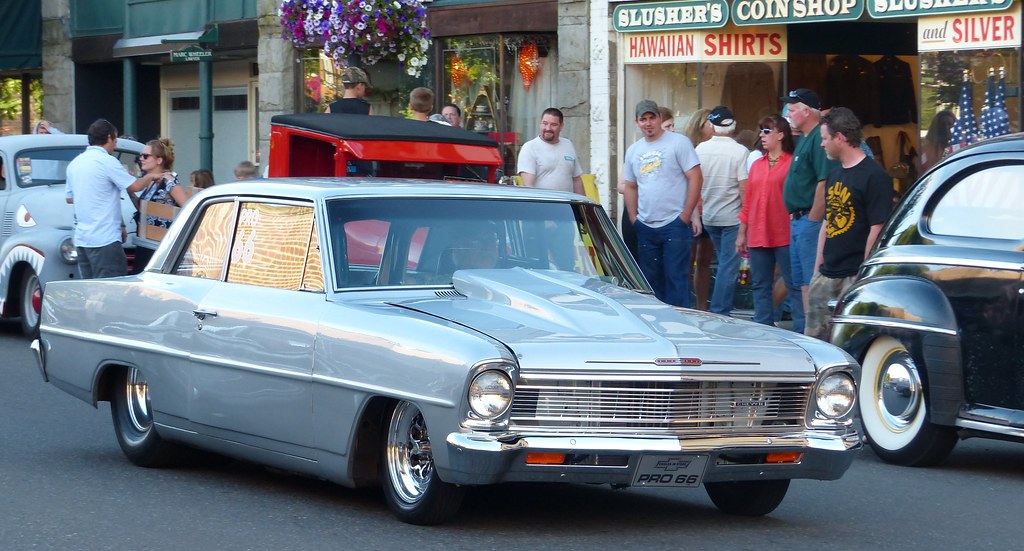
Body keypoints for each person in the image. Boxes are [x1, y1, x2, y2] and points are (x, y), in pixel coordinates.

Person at [805, 107, 893, 340]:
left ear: (840, 138)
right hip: (826, 275)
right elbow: (828, 221)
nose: (822, 144)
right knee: (815, 344)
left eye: (825, 139)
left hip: (853, 275)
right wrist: (817, 270)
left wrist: (864, 275)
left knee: (849, 341)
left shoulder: (875, 176)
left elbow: (877, 228)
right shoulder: (834, 174)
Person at [623, 100, 703, 308]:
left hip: (674, 224)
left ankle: (680, 327)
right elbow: (630, 186)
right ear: (637, 122)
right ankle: (657, 326)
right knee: (650, 282)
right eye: (643, 119)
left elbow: (695, 177)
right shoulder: (633, 150)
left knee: (676, 279)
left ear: (659, 119)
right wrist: (634, 218)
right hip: (646, 225)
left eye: (652, 118)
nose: (648, 123)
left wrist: (686, 215)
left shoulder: (679, 142)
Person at [65, 119, 170, 278]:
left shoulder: (75, 163)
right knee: (111, 291)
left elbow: (70, 199)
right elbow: (135, 186)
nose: (115, 145)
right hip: (104, 239)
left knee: (89, 292)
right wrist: (153, 176)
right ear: (108, 137)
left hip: (81, 240)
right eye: (115, 140)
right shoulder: (107, 161)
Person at [780, 88, 838, 333]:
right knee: (799, 283)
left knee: (808, 282)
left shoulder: (817, 137)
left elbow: (823, 182)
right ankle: (803, 332)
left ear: (806, 111)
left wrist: (812, 219)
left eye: (792, 110)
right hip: (798, 220)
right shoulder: (805, 138)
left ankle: (812, 335)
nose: (789, 114)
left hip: (808, 221)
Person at [737, 114, 801, 328]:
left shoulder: (792, 163)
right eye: (761, 131)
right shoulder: (757, 165)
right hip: (758, 231)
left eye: (767, 131)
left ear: (781, 135)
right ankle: (763, 327)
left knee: (793, 283)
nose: (762, 136)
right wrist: (742, 232)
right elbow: (748, 201)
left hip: (784, 232)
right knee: (760, 284)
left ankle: (801, 328)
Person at [695, 106, 748, 316]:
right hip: (732, 218)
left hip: (709, 216)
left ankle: (715, 309)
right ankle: (719, 311)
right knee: (728, 266)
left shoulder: (699, 150)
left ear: (712, 125)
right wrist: (747, 221)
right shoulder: (740, 152)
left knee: (724, 263)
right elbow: (743, 188)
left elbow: (695, 184)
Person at [133, 138, 186, 271]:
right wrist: (130, 192)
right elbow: (144, 210)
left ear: (159, 160)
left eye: (145, 156)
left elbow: (187, 206)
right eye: (140, 156)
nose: (141, 159)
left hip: (159, 246)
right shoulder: (151, 181)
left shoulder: (168, 180)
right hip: (146, 241)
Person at [680, 107, 714, 310]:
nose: (713, 127)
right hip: (692, 208)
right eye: (709, 123)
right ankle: (685, 303)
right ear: (699, 127)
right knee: (688, 260)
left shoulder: (714, 148)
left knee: (704, 260)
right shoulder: (688, 149)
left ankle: (702, 306)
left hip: (709, 208)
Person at [517, 107, 584, 194]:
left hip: (568, 205)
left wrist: (584, 205)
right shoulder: (529, 148)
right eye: (545, 123)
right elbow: (528, 186)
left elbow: (576, 180)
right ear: (540, 124)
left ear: (561, 126)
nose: (548, 128)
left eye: (553, 125)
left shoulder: (568, 144)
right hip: (544, 205)